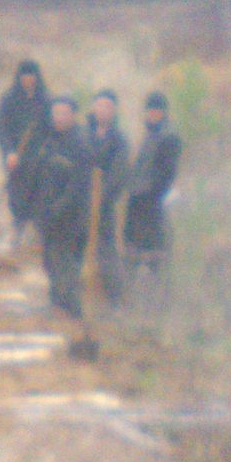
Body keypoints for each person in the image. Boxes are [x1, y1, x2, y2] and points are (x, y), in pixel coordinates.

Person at [29, 95, 95, 321]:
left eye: (64, 113)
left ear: (73, 116)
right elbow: (39, 175)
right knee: (50, 261)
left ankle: (72, 311)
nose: (58, 118)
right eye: (55, 113)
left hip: (70, 218)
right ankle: (57, 305)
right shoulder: (50, 141)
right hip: (48, 215)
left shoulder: (80, 144)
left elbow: (78, 186)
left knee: (66, 263)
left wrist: (57, 209)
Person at [123, 90, 183, 289]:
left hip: (153, 205)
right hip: (138, 201)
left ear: (164, 112)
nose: (152, 114)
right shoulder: (150, 135)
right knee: (135, 251)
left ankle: (155, 295)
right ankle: (134, 293)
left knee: (154, 255)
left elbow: (166, 174)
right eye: (150, 110)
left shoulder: (168, 137)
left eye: (157, 110)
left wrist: (147, 192)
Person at [85, 90, 132, 305]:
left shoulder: (119, 140)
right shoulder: (84, 134)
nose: (102, 110)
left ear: (113, 111)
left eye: (107, 107)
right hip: (81, 201)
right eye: (99, 105)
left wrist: (102, 196)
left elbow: (119, 172)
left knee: (106, 248)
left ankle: (113, 298)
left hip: (105, 204)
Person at [0, 58, 50, 235]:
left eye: (31, 76)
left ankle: (37, 229)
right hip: (16, 154)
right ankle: (19, 225)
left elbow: (51, 128)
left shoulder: (45, 99)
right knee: (16, 191)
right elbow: (1, 128)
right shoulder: (9, 99)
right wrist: (9, 152)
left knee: (39, 191)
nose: (28, 79)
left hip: (39, 156)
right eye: (25, 76)